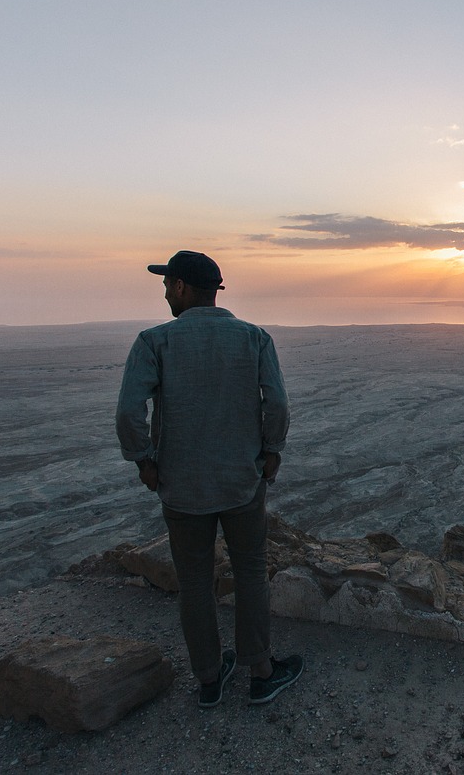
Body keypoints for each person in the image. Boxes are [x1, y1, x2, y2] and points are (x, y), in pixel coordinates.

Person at [115, 250, 302, 707]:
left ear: (180, 287)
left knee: (195, 581)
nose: (163, 293)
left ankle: (208, 679)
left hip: (181, 487)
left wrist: (145, 461)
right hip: (241, 480)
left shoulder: (153, 342)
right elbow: (276, 404)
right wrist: (271, 451)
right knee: (251, 572)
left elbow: (128, 411)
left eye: (166, 284)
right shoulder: (254, 338)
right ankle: (260, 671)